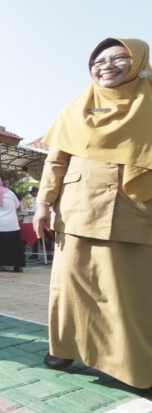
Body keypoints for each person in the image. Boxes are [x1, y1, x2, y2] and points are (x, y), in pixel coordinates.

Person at [33, 37, 152, 392]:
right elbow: (56, 161)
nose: (106, 66)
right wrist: (42, 203)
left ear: (138, 62)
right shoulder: (76, 107)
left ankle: (128, 364)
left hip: (132, 211)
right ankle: (64, 348)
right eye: (97, 61)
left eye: (118, 58)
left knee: (125, 292)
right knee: (70, 287)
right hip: (77, 208)